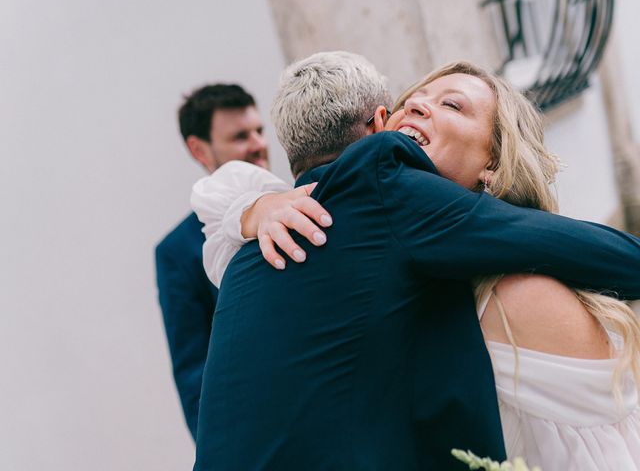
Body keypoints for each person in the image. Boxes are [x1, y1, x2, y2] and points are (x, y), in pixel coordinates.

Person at [191, 52, 640, 470]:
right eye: (412, 101)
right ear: (381, 127)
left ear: (494, 163)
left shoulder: (275, 237)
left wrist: (251, 209)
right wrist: (253, 208)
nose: (420, 108)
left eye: (453, 106)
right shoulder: (373, 180)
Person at [155, 83, 269, 440]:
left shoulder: (305, 198)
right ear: (199, 149)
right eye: (240, 136)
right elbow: (195, 375)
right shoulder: (178, 251)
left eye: (259, 131)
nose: (258, 144)